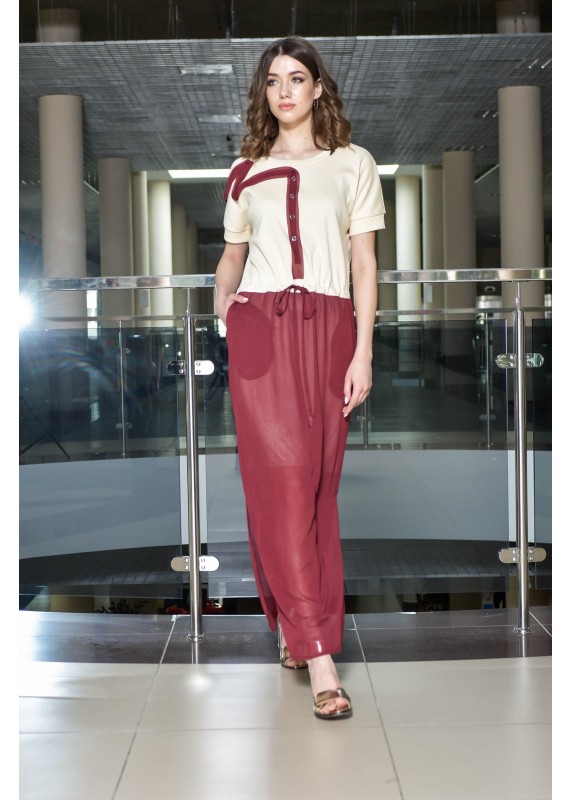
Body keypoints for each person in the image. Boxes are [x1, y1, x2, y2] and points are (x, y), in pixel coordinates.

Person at [214, 36, 385, 720]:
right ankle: (320, 658)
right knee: (280, 484)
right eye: (273, 80)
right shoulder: (245, 170)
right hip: (262, 328)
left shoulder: (353, 163)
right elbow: (232, 256)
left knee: (315, 487)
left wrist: (363, 352)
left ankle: (292, 622)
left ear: (318, 88)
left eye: (296, 78)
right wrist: (225, 307)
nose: (284, 91)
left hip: (332, 328)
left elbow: (365, 264)